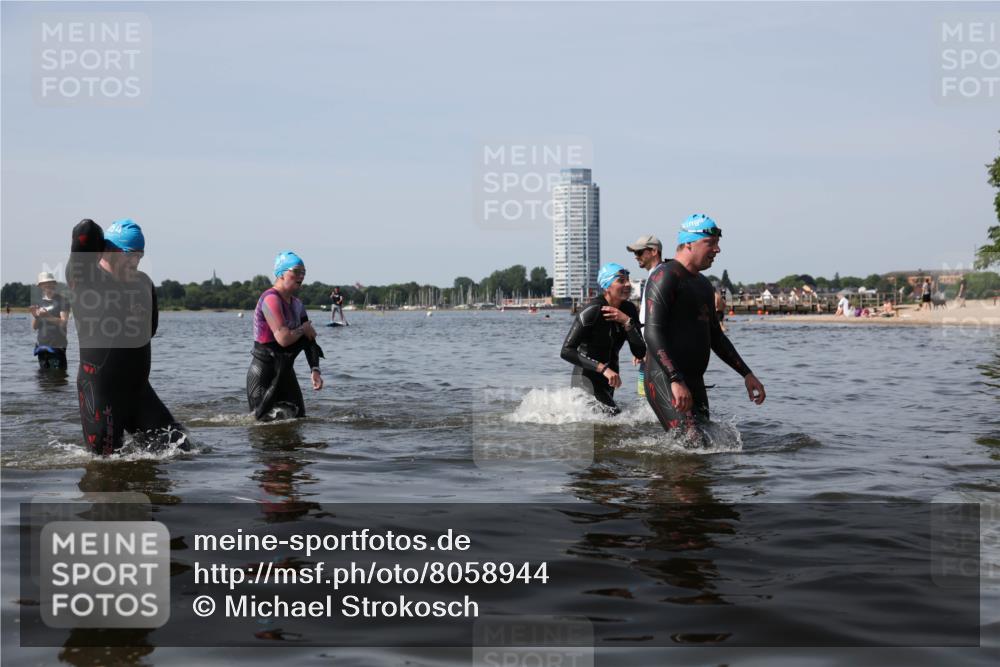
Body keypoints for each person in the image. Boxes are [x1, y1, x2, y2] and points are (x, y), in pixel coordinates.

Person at [65, 218, 186, 455]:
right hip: (101, 392)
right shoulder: (86, 279)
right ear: (109, 250)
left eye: (140, 255)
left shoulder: (143, 283)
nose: (135, 261)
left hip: (138, 391)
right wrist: (103, 243)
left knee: (182, 450)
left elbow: (150, 331)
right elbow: (84, 231)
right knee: (106, 465)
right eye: (129, 254)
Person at [642, 214, 765, 442]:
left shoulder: (703, 284)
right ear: (689, 243)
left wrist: (747, 374)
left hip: (694, 380)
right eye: (711, 243)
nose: (717, 249)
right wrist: (675, 379)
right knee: (692, 443)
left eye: (718, 243)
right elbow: (652, 332)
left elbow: (716, 337)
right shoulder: (665, 276)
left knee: (706, 445)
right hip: (666, 378)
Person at [247, 251, 325, 421]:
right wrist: (303, 329)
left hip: (286, 371)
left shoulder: (298, 304)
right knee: (262, 425)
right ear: (281, 274)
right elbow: (283, 339)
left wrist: (315, 369)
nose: (301, 276)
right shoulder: (270, 299)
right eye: (296, 271)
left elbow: (310, 339)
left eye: (304, 272)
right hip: (264, 371)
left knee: (299, 420)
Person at [560, 263, 646, 415]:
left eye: (628, 280)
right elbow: (566, 351)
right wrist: (604, 369)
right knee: (614, 416)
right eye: (621, 280)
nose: (627, 284)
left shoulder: (629, 310)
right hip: (586, 379)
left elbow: (640, 352)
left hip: (610, 380)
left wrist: (627, 322)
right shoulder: (593, 310)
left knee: (611, 422)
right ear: (607, 287)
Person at [627, 234, 664, 398]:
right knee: (645, 398)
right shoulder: (652, 276)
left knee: (653, 398)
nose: (636, 256)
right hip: (648, 349)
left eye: (640, 252)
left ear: (654, 251)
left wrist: (649, 348)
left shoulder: (659, 277)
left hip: (655, 351)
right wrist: (641, 348)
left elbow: (657, 318)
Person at [30, 271, 70, 370]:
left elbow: (63, 323)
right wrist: (36, 316)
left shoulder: (62, 300)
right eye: (44, 283)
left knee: (58, 376)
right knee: (42, 376)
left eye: (49, 282)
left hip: (57, 346)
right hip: (41, 346)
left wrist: (47, 316)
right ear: (40, 286)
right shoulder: (39, 302)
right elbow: (34, 327)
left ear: (54, 284)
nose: (47, 285)